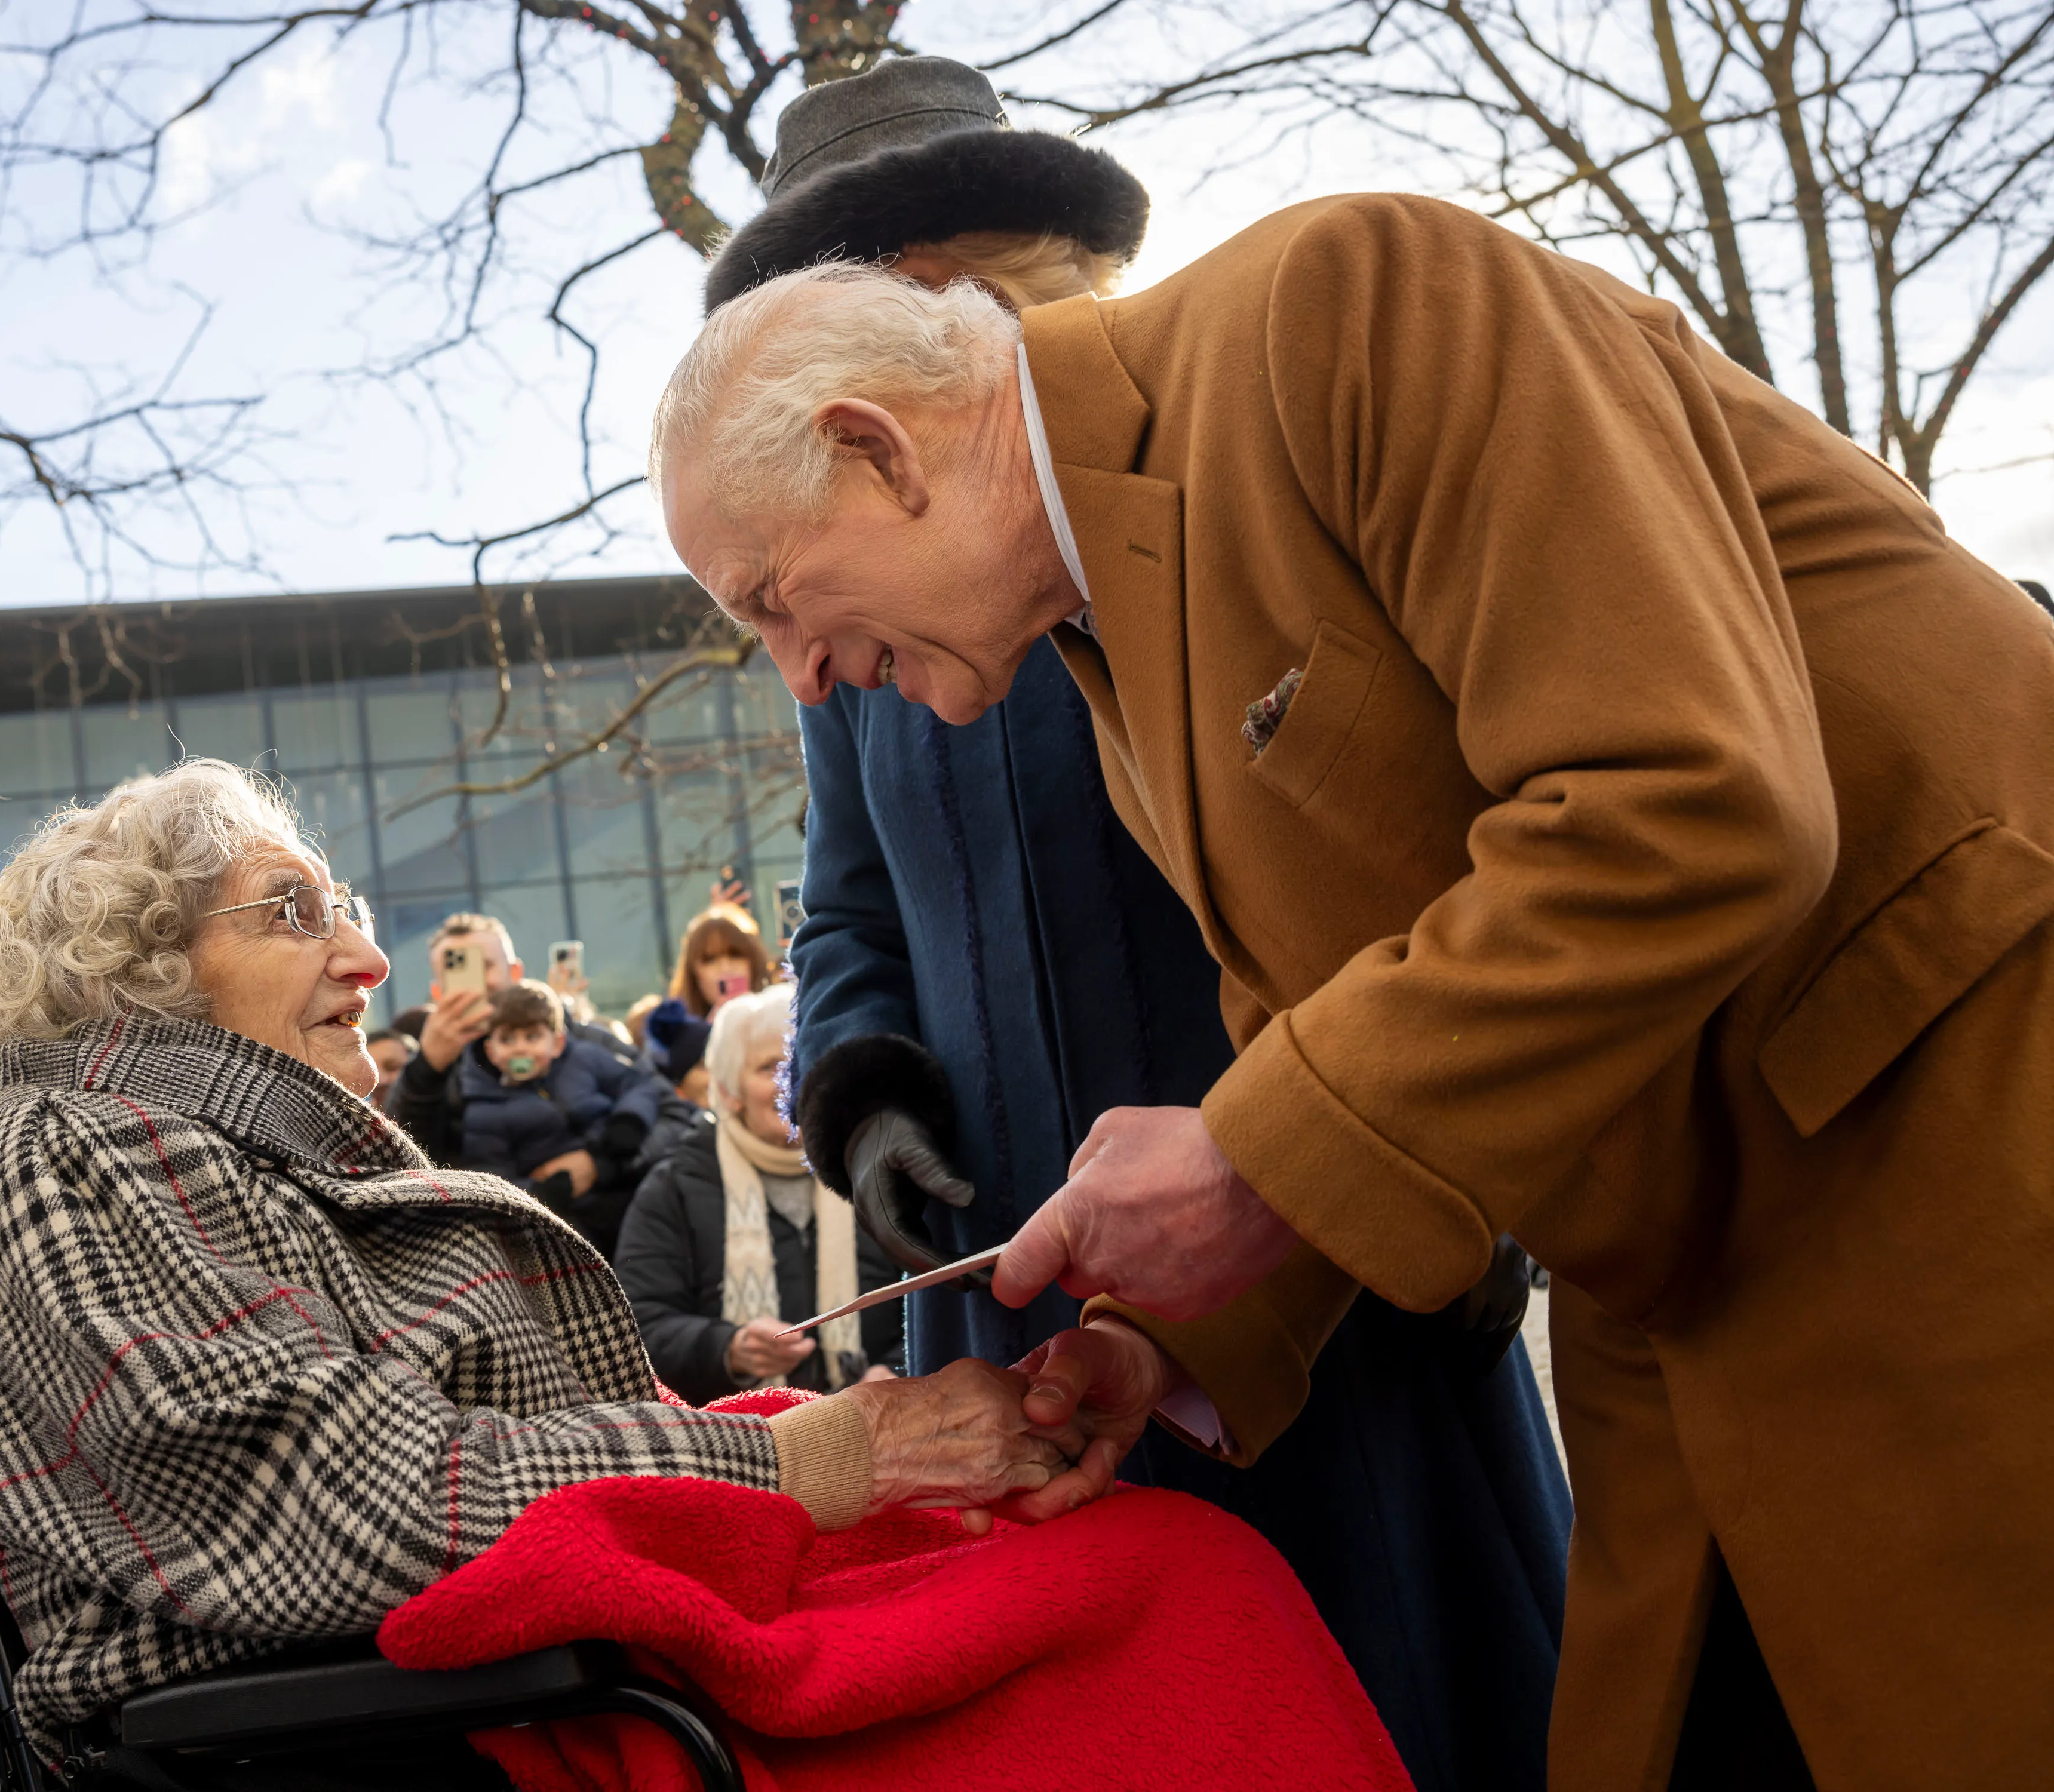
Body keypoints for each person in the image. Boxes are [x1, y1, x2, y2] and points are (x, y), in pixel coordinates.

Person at [653, 176, 2054, 1790]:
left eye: (771, 600)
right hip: (1687, 1271)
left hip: (1943, 1171)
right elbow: (1324, 1029)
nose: (802, 676)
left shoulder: (1349, 299)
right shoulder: (1107, 643)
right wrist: (1163, 1338)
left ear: (876, 451)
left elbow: (1693, 801)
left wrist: (1248, 1163)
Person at [713, 59, 1565, 1790]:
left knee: (1404, 1666)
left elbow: (1457, 833)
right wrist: (863, 1090)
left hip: (1303, 1210)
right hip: (1019, 1258)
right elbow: (844, 906)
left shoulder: (1207, 490)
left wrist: (1453, 1160)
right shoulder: (854, 646)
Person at [0, 761, 1110, 1740]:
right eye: (295, 912)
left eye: (343, 907)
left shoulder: (222, 1147)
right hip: (432, 1730)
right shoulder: (75, 1153)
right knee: (1135, 1598)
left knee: (1116, 1555)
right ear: (141, 968)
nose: (368, 959)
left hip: (542, 1678)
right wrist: (834, 1454)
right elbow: (370, 1504)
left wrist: (891, 1433)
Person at [619, 984, 903, 1405]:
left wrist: (897, 1368)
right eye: (770, 1066)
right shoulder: (674, 1188)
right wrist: (727, 1349)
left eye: (804, 1060)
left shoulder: (876, 1170)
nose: (793, 1080)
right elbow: (636, 1326)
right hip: (736, 1431)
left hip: (877, 1419)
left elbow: (935, 1299)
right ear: (729, 1092)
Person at [386, 910, 643, 1166]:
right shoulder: (427, 1071)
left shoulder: (585, 1039)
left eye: (485, 966)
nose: (477, 983)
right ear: (437, 991)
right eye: (456, 970)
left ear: (516, 972)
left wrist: (600, 1164)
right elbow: (402, 1159)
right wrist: (426, 1071)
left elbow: (657, 1101)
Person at [455, 977, 662, 1255]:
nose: (520, 1048)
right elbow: (490, 1178)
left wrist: (630, 1121)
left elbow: (637, 1083)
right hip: (566, 1212)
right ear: (491, 1051)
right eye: (507, 1039)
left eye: (532, 1037)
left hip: (623, 1176)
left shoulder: (585, 1060)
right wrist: (539, 1192)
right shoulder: (486, 1111)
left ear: (557, 1043)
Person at [667, 901, 772, 1018]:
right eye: (710, 959)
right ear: (693, 973)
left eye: (735, 955)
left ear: (754, 961)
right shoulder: (672, 1026)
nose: (725, 968)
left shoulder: (781, 1017)